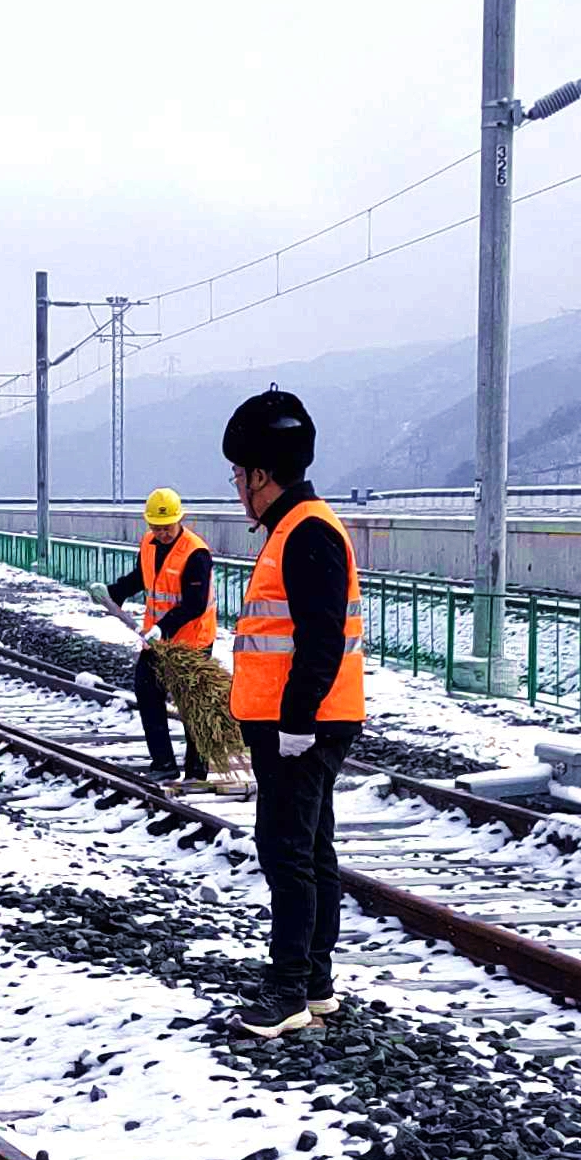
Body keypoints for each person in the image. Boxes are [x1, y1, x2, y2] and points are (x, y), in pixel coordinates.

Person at [221, 388, 364, 1037]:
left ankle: (286, 990)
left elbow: (321, 633)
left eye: (237, 475)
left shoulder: (306, 533)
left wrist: (297, 721)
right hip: (300, 719)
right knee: (308, 845)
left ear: (260, 473)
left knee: (286, 850)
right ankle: (313, 980)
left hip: (302, 723)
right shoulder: (295, 528)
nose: (235, 489)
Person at [102, 487, 218, 781]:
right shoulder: (150, 543)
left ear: (179, 520)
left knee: (194, 706)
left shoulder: (196, 553)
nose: (162, 533)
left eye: (166, 528)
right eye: (156, 527)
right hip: (156, 641)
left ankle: (197, 771)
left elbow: (195, 604)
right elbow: (142, 576)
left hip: (192, 642)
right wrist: (114, 593)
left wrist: (162, 627)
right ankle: (164, 764)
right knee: (147, 690)